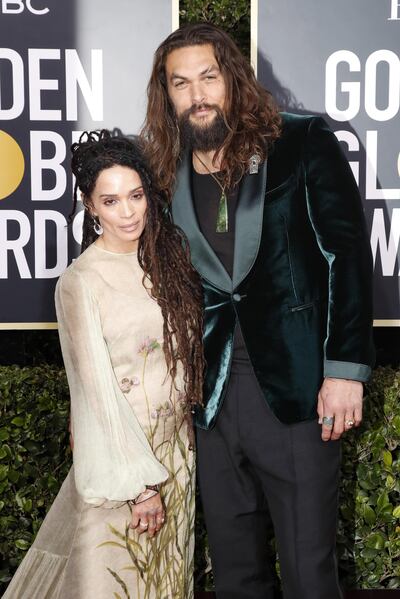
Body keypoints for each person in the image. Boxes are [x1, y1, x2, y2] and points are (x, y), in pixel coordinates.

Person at [141, 23, 375, 599]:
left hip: (296, 395)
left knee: (307, 571)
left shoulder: (300, 140)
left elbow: (344, 255)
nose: (196, 94)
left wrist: (345, 370)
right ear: (166, 95)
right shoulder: (160, 174)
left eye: (208, 77)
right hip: (211, 401)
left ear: (233, 79)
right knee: (236, 573)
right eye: (180, 83)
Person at [3, 130, 204, 599]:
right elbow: (96, 394)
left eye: (135, 196)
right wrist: (140, 489)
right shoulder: (81, 282)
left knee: (165, 585)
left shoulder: (168, 263)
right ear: (90, 206)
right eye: (111, 201)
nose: (128, 212)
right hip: (122, 469)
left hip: (175, 458)